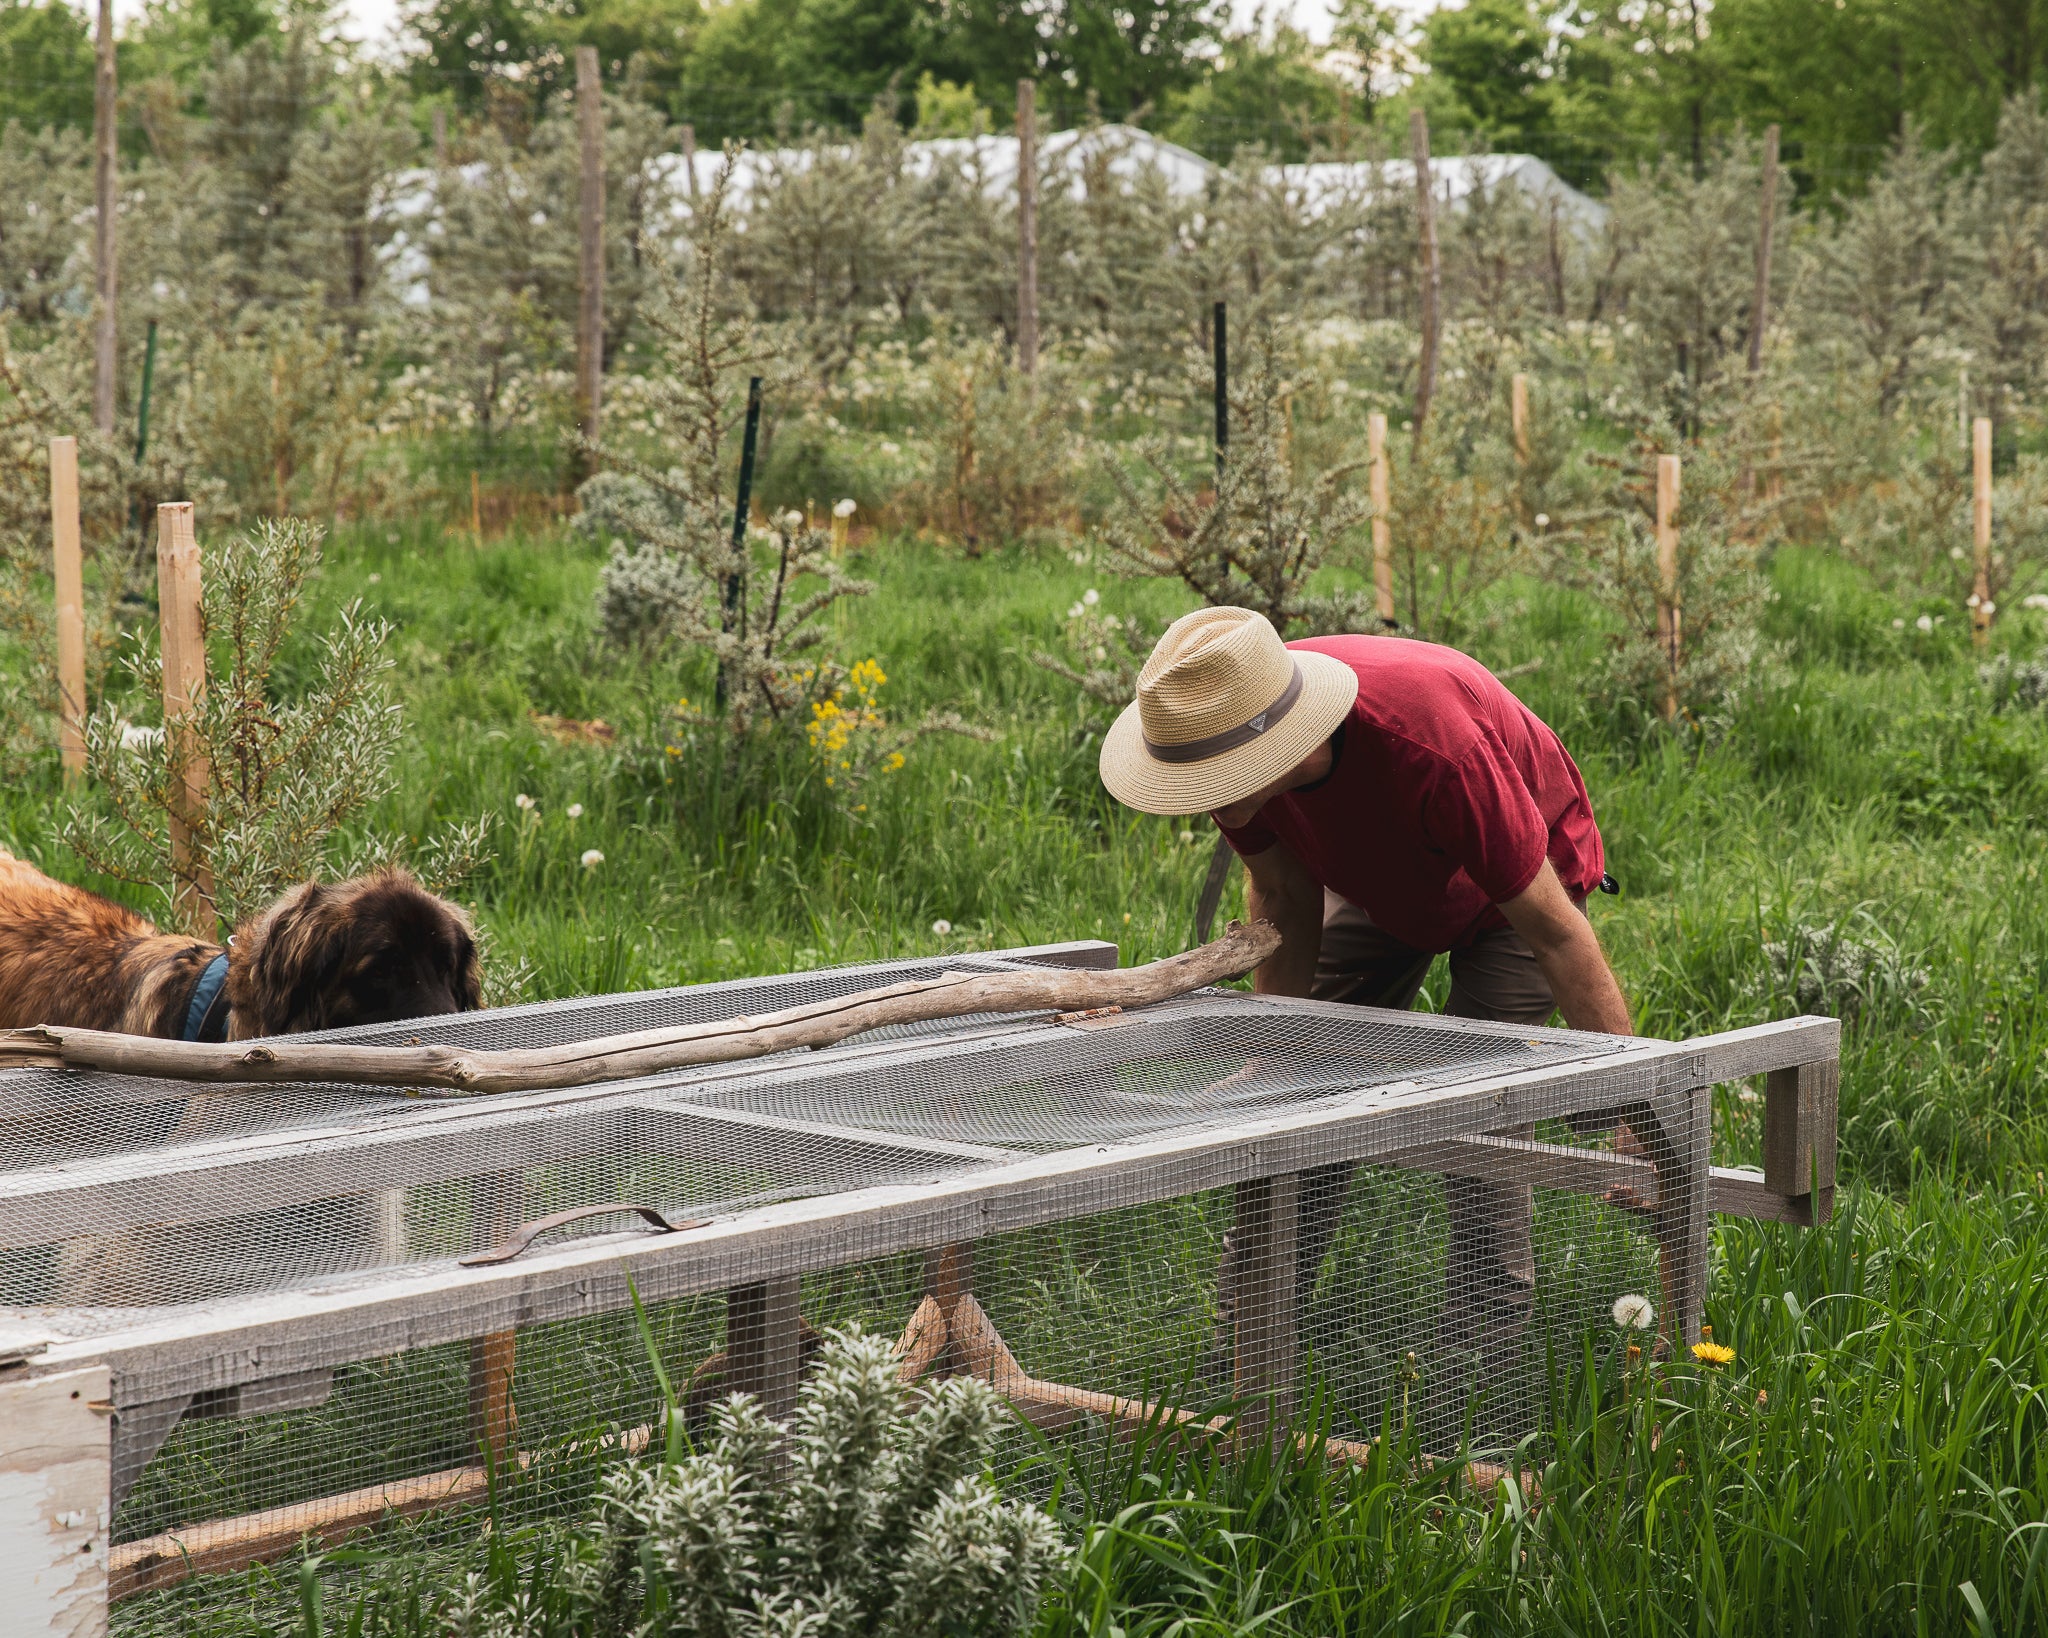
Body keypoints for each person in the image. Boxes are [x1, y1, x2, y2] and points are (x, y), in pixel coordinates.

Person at [1097, 606, 1632, 1436]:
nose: (1208, 805)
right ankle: (1242, 1356)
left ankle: (1475, 1387)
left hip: (1524, 892)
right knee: (1303, 1095)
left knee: (1483, 1119)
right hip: (1384, 878)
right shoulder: (1217, 726)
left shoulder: (1431, 745)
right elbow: (1282, 899)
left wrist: (1635, 1110)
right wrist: (1280, 1050)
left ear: (1272, 751)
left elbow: (1557, 931)